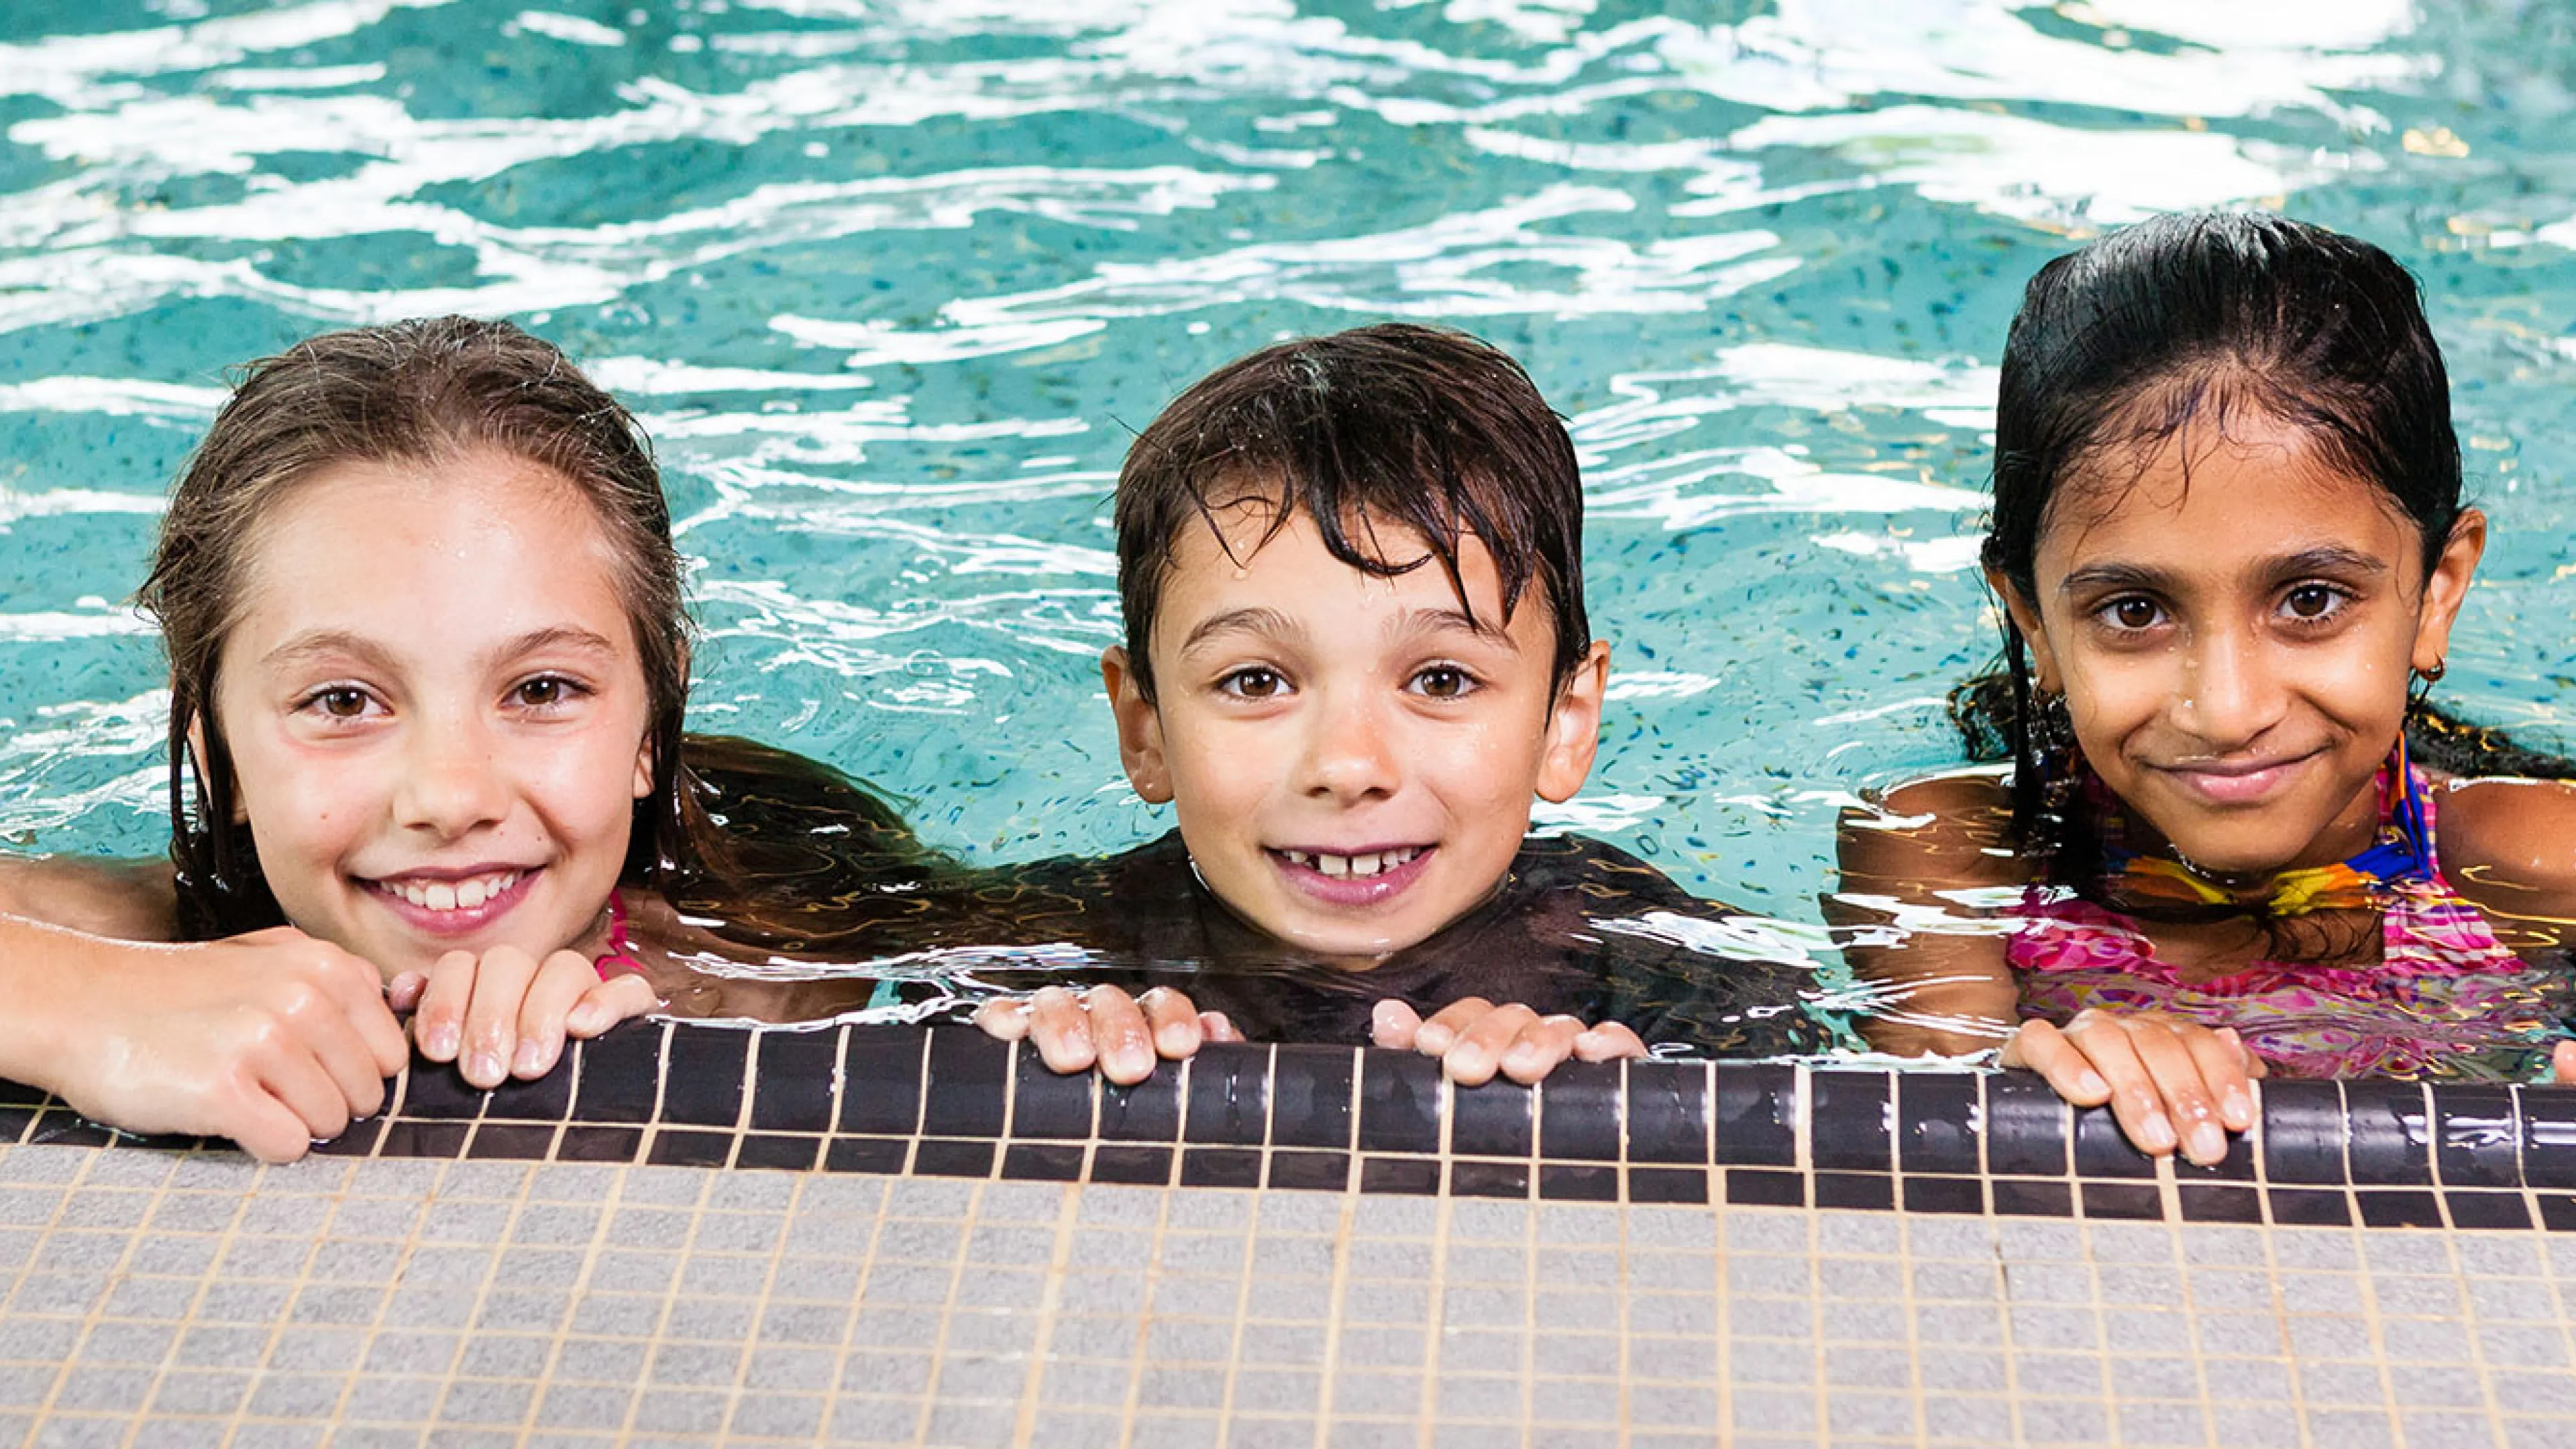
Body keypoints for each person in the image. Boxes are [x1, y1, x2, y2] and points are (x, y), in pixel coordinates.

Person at [0, 318, 929, 1158]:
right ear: (219, 756)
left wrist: (1075, 1016)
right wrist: (93, 1005)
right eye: (341, 702)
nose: (450, 799)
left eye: (542, 688)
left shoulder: (797, 953)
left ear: (649, 726)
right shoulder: (129, 941)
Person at [1835, 211, 2576, 1165]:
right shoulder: (1950, 854)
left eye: (2310, 599)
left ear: (2437, 592)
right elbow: (1926, 1124)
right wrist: (2038, 1072)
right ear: (2031, 619)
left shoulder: (2536, 867)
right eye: (2135, 612)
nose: (2226, 711)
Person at [970, 323, 1837, 1084]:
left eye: (1441, 680)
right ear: (1145, 728)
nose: (1349, 768)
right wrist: (1021, 1054)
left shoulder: (1671, 973)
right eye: (1257, 682)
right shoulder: (1045, 953)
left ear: (1564, 724)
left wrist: (1637, 1106)